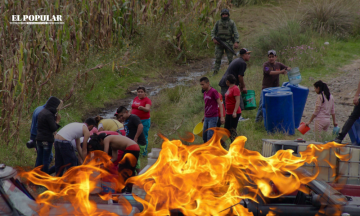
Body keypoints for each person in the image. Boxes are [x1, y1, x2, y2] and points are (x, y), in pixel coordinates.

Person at [255, 50, 291, 122]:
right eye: (270, 57)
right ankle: (258, 121)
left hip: (275, 88)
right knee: (262, 105)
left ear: (276, 57)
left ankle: (272, 120)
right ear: (268, 57)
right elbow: (270, 72)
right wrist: (281, 72)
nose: (271, 58)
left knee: (275, 105)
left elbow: (287, 68)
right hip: (266, 88)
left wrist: (289, 69)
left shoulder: (279, 65)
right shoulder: (266, 65)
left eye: (273, 57)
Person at [219, 48, 251, 113]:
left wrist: (241, 86)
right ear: (244, 55)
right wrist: (244, 86)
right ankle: (237, 116)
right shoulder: (242, 63)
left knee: (232, 99)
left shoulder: (237, 60)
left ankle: (234, 115)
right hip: (227, 83)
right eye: (248, 54)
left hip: (226, 82)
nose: (249, 56)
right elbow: (240, 76)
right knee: (232, 100)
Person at [27, 98, 55, 174]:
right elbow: (40, 127)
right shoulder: (45, 113)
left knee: (40, 157)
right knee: (47, 158)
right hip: (42, 138)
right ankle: (43, 176)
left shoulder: (38, 108)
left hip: (36, 137)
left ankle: (36, 176)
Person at [35, 96, 62, 174]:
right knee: (46, 160)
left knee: (39, 159)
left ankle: (35, 176)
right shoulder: (49, 114)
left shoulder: (42, 111)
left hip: (39, 139)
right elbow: (53, 128)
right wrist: (57, 121)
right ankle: (45, 178)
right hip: (46, 140)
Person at [210, 8, 240, 75]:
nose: (224, 16)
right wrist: (213, 39)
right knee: (218, 58)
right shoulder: (218, 23)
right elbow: (213, 32)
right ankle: (215, 72)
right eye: (223, 14)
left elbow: (236, 33)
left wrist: (236, 42)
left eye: (226, 14)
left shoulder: (231, 22)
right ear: (221, 15)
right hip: (219, 42)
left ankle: (232, 73)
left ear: (228, 15)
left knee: (230, 59)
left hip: (228, 42)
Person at [200, 77, 225, 143]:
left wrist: (222, 117)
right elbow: (206, 105)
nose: (202, 86)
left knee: (210, 135)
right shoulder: (205, 93)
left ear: (208, 83)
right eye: (201, 85)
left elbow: (220, 103)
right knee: (204, 136)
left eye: (203, 84)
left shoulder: (213, 91)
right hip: (207, 117)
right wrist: (204, 116)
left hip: (213, 117)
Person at [130, 87, 152, 157]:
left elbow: (147, 109)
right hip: (134, 120)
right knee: (133, 135)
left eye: (141, 92)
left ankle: (144, 152)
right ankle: (135, 150)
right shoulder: (135, 98)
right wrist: (129, 116)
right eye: (138, 92)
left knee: (143, 136)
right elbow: (132, 108)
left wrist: (142, 108)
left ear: (145, 93)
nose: (140, 93)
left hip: (144, 121)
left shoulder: (147, 100)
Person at [224, 74, 242, 142]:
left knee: (232, 129)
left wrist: (235, 111)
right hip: (228, 112)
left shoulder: (235, 88)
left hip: (234, 112)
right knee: (226, 129)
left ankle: (235, 144)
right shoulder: (229, 88)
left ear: (228, 81)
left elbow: (238, 101)